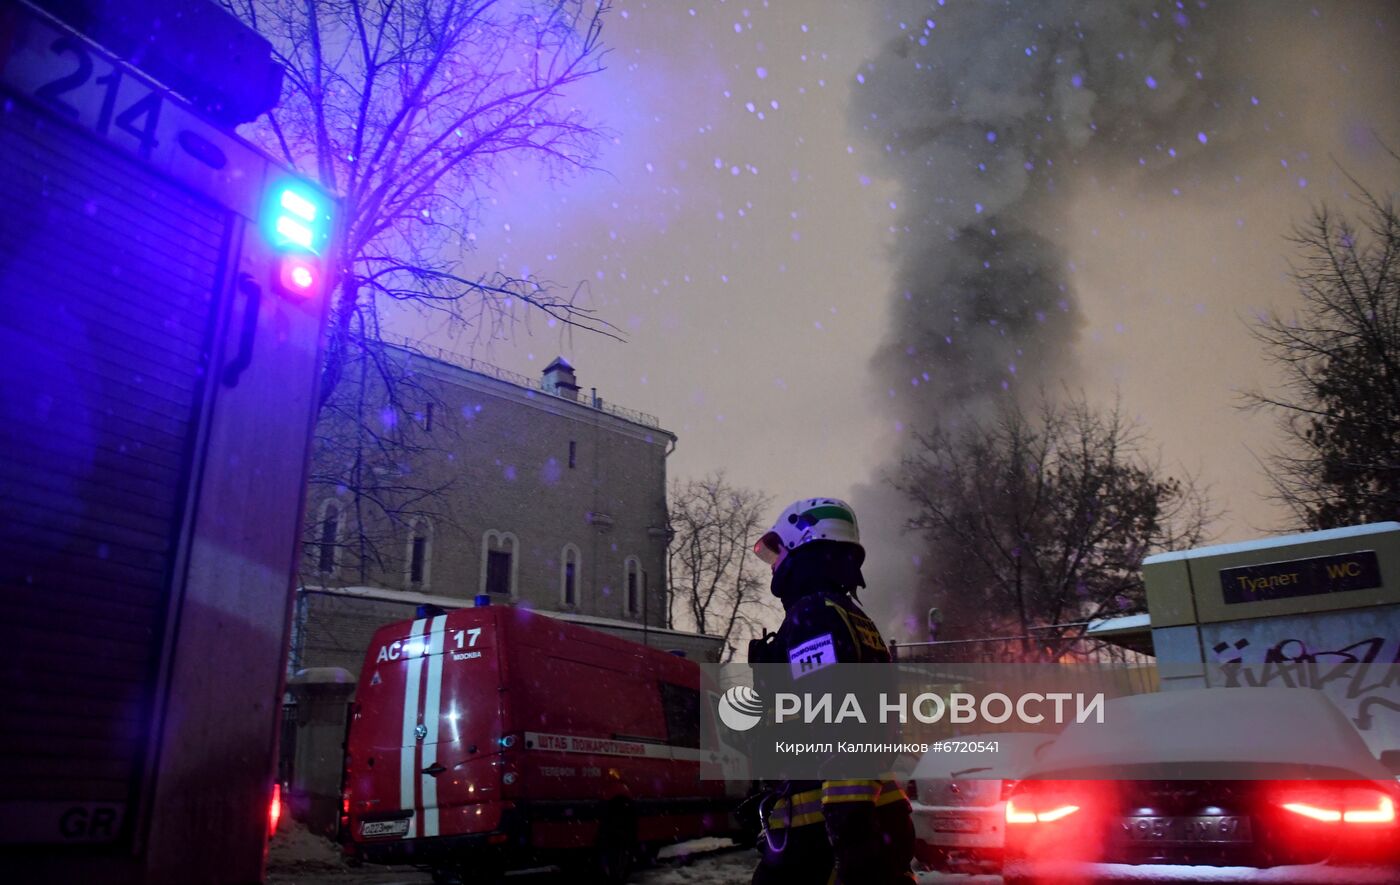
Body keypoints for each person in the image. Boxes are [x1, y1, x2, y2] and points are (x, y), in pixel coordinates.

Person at [747, 497, 915, 885]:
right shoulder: (851, 614)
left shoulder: (814, 615)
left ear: (805, 545)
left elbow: (838, 721)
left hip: (818, 832)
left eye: (778, 552)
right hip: (866, 817)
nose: (775, 564)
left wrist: (850, 837)